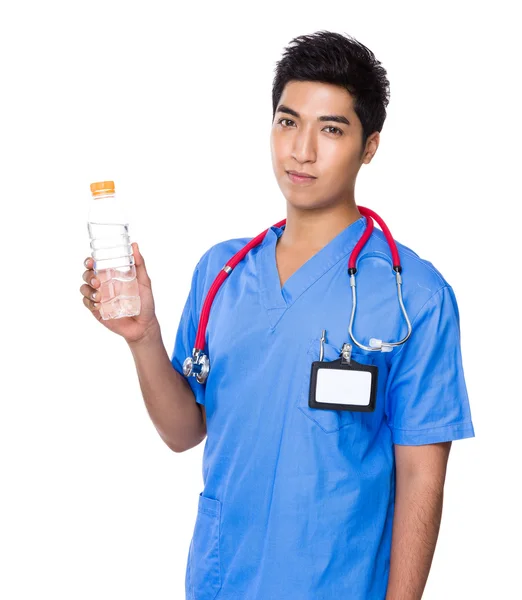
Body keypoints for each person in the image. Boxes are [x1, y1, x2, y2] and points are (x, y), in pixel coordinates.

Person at [80, 30, 475, 600]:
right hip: (222, 580)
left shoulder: (414, 294)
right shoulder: (223, 273)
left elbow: (422, 478)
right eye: (288, 122)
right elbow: (183, 432)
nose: (302, 150)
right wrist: (142, 337)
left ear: (370, 146)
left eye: (331, 129)